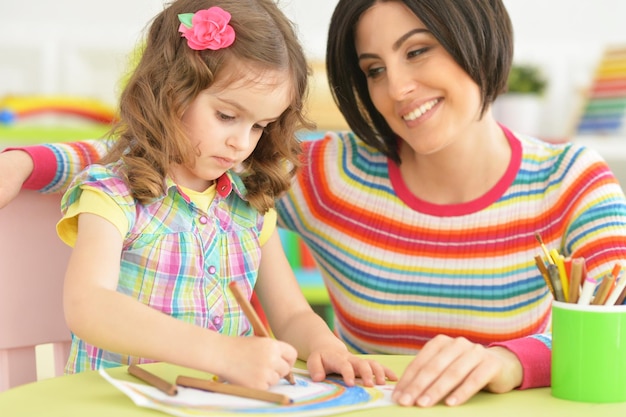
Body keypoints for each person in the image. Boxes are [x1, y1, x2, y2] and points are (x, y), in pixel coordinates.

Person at [2, 0, 626, 407]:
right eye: (372, 68)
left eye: (418, 51)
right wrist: (31, 161)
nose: (398, 88)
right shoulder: (325, 173)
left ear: (479, 37)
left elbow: (619, 323)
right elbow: (154, 156)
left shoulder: (572, 180)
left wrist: (506, 362)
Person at [1, 0, 398, 390]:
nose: (241, 143)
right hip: (113, 400)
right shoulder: (113, 194)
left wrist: (326, 346)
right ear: (168, 92)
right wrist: (224, 354)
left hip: (216, 401)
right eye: (226, 116)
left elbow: (291, 314)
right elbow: (89, 306)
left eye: (260, 125)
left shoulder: (249, 204)